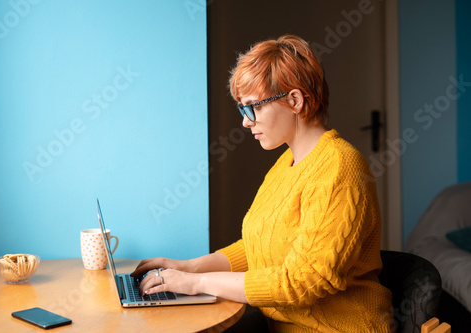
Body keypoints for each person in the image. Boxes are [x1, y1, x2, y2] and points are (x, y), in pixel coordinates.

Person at [131, 34, 394, 332]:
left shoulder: (340, 168)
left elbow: (301, 282)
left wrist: (196, 282)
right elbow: (259, 247)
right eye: (242, 109)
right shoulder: (285, 163)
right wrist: (187, 266)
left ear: (294, 100)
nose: (245, 121)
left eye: (252, 107)